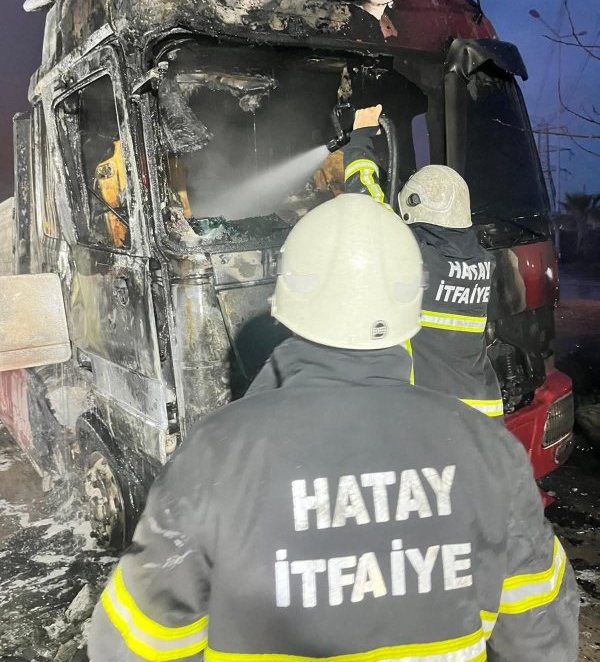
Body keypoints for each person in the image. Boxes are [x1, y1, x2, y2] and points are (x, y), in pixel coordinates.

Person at [87, 195, 578, 662]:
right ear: (412, 302)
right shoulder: (490, 451)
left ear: (290, 297)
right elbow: (543, 636)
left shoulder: (215, 457)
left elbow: (131, 644)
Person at [344, 105, 503, 418]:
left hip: (436, 419)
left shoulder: (415, 260)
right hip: (482, 416)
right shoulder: (482, 261)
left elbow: (364, 205)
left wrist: (359, 139)